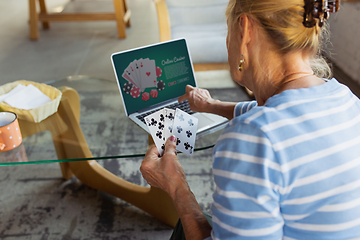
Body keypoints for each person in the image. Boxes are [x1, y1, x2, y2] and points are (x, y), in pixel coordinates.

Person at [141, 0, 360, 239]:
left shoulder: (251, 139)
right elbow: (282, 116)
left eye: (229, 31)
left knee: (186, 227)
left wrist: (177, 186)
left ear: (245, 31)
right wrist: (211, 106)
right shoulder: (347, 99)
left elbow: (264, 131)